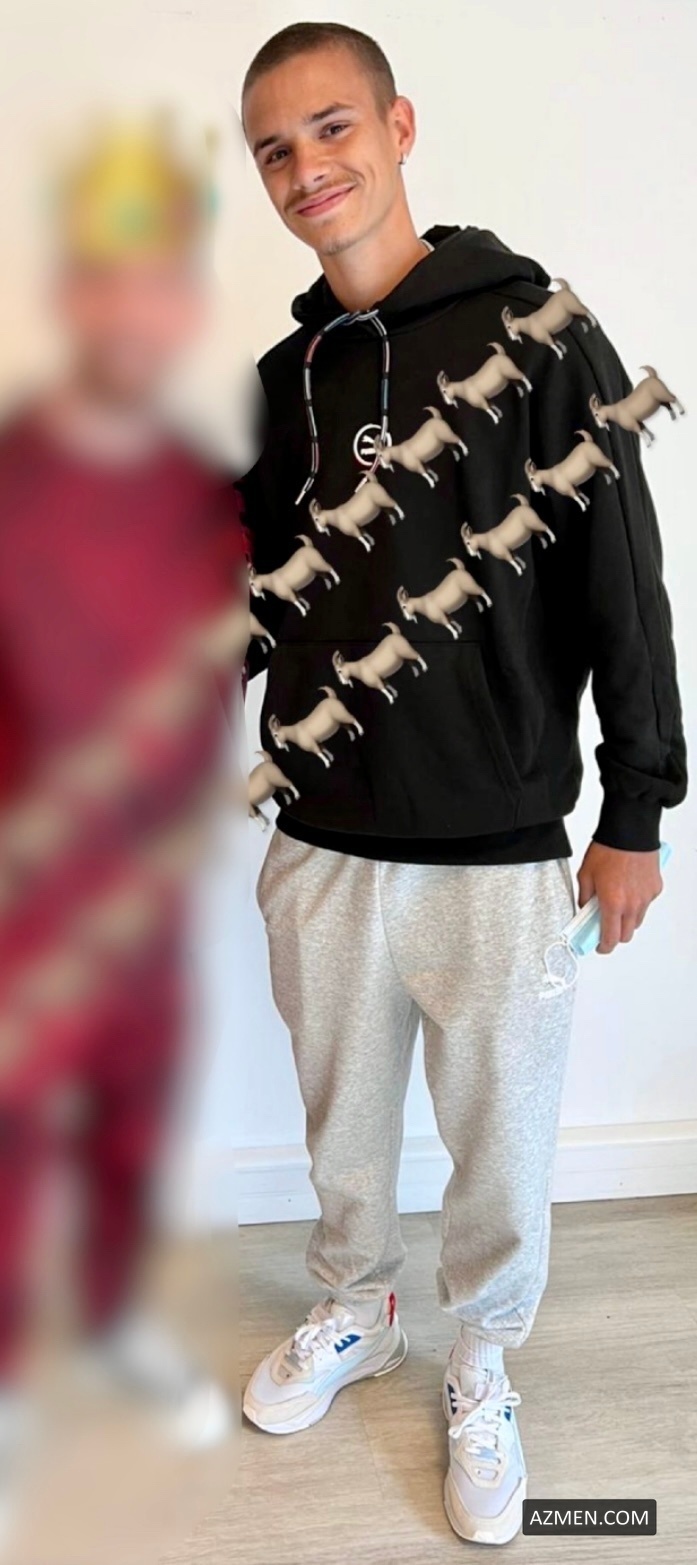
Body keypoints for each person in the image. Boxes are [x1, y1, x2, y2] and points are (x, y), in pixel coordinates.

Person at [237, 21, 686, 1547]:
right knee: (341, 1128)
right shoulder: (282, 381)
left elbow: (621, 579)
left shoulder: (538, 332)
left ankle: (483, 1357)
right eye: (276, 149)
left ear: (397, 125)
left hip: (499, 838)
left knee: (501, 1141)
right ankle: (357, 1306)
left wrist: (636, 809)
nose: (308, 168)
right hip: (319, 839)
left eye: (331, 127)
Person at [0, 116, 247, 1476]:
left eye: (161, 282)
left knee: (135, 1115)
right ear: (70, 292)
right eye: (109, 277)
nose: (134, 310)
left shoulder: (208, 495)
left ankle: (107, 1327)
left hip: (152, 884)